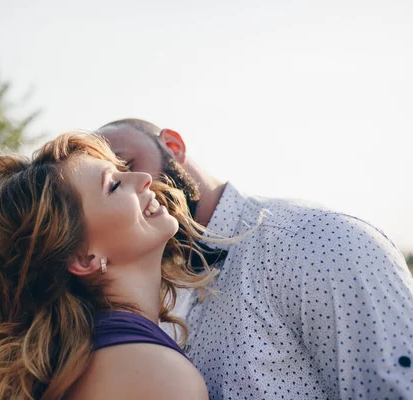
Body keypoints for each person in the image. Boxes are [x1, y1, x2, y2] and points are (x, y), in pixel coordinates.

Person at [0, 132, 217, 400]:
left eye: (122, 171)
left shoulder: (83, 358)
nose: (142, 179)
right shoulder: (154, 375)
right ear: (83, 258)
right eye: (113, 186)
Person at [97, 118, 413, 399]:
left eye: (126, 165)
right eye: (112, 187)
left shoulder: (316, 241)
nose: (135, 186)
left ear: (173, 145)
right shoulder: (151, 295)